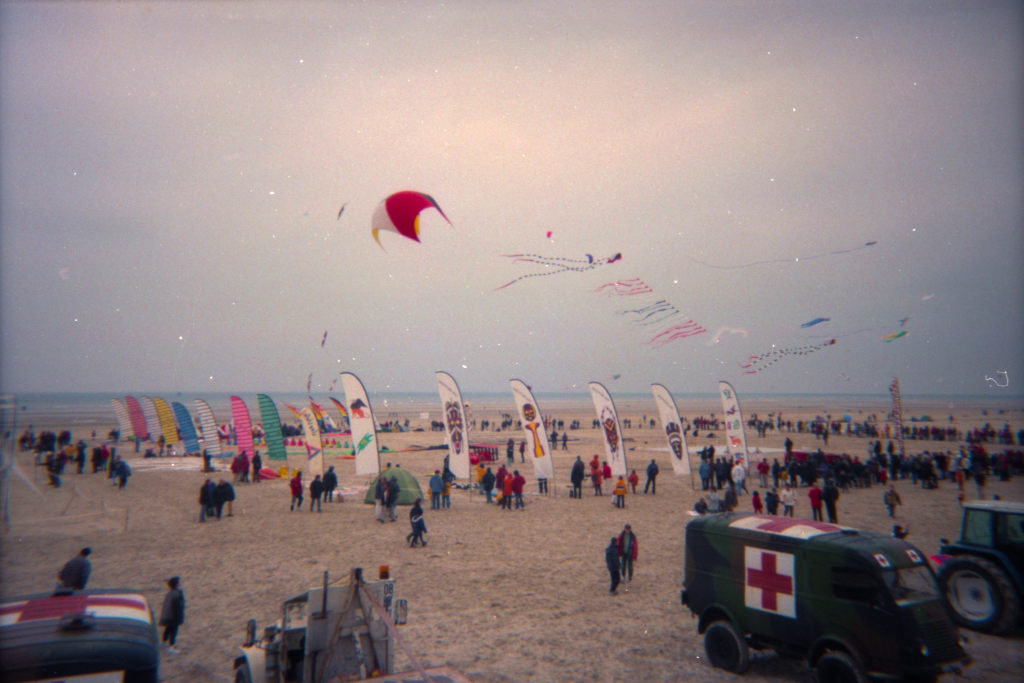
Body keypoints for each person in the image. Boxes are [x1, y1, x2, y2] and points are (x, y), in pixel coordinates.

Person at [159, 576, 185, 653]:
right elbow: (178, 607)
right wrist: (179, 619)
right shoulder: (177, 594)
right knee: (173, 631)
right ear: (177, 584)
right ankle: (171, 647)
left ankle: (164, 643)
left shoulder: (170, 593)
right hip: (173, 617)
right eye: (179, 582)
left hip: (168, 616)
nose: (181, 583)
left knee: (168, 629)